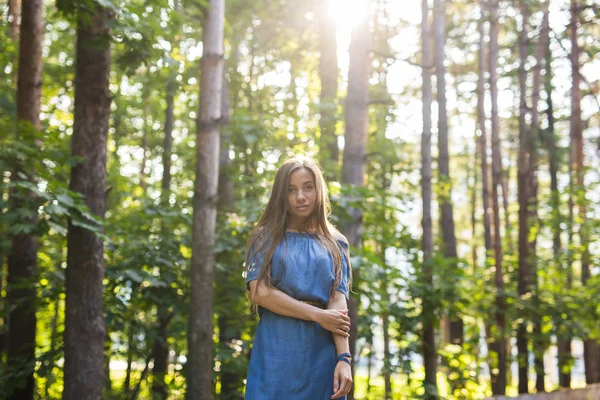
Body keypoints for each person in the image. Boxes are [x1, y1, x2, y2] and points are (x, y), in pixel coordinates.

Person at [244, 156, 353, 400]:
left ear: (319, 191)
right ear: (281, 195)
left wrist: (344, 358)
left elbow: (338, 304)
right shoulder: (265, 237)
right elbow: (260, 292)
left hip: (323, 355)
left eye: (308, 187)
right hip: (276, 349)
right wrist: (317, 315)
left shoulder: (337, 243)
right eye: (291, 190)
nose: (300, 196)